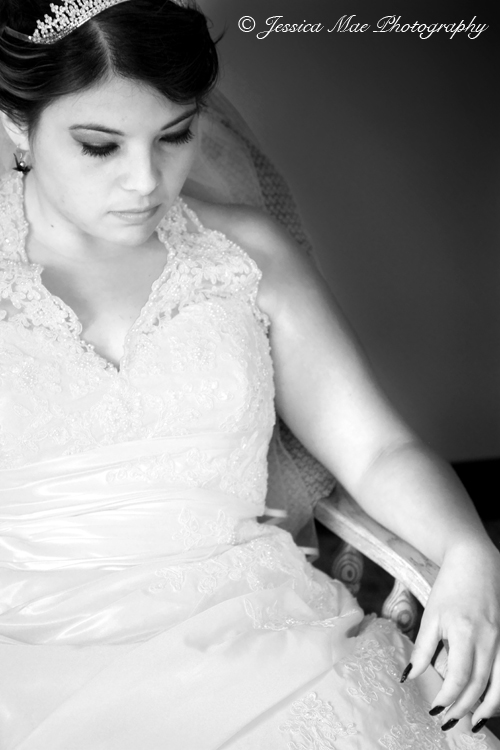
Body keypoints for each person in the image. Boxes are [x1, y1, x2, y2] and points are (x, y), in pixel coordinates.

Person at [0, 1, 498, 748]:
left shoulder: (247, 253)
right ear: (18, 123)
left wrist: (469, 550)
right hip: (31, 654)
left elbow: (374, 448)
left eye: (174, 134)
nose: (146, 180)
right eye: (100, 146)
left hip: (260, 633)